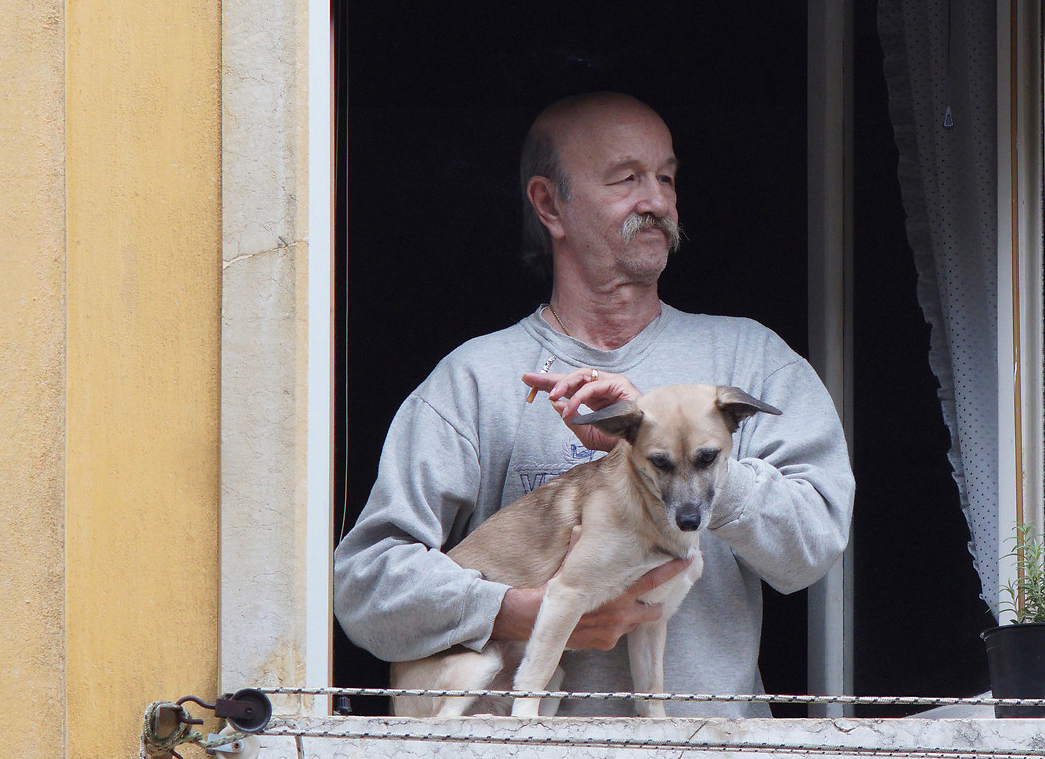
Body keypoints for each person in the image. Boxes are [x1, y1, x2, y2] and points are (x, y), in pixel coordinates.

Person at [333, 91, 854, 712]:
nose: (657, 201)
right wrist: (512, 612)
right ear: (550, 204)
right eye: (627, 179)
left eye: (666, 177)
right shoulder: (474, 379)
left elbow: (815, 544)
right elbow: (365, 590)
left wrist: (673, 447)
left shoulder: (749, 360)